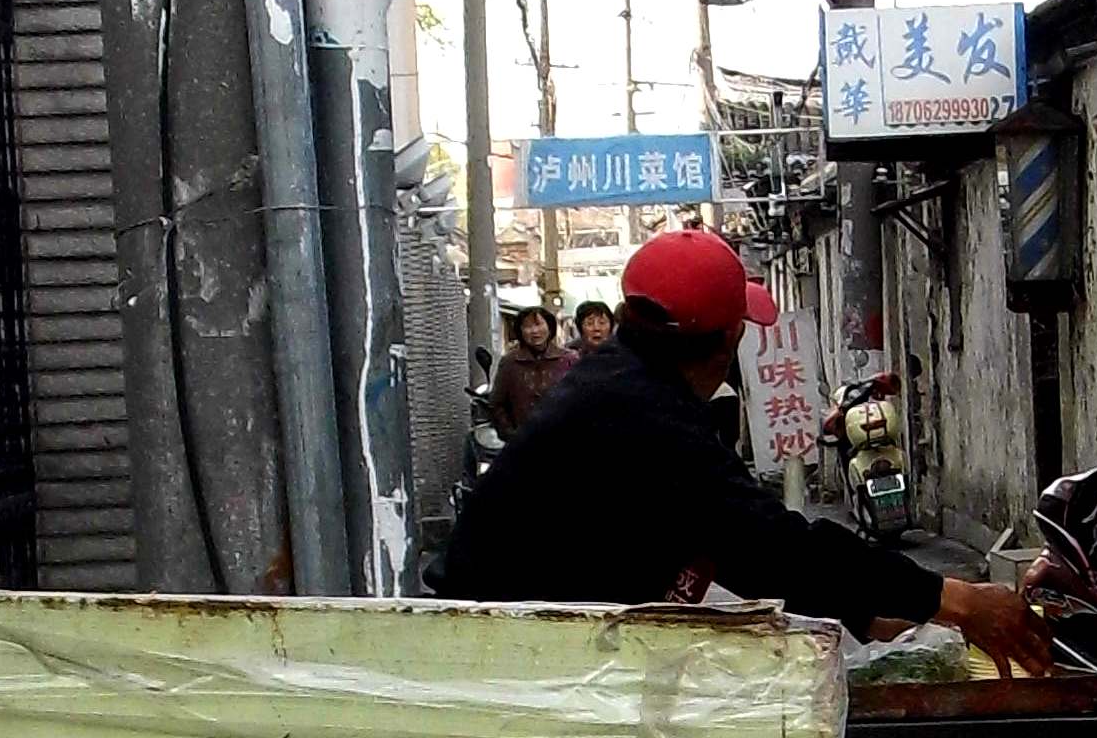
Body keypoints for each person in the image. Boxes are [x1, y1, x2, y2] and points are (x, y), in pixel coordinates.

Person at [438, 227, 1046, 665]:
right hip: (511, 664)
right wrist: (957, 599)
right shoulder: (649, 416)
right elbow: (767, 542)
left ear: (626, 315)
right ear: (728, 342)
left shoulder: (621, 382)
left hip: (523, 642)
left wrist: (864, 613)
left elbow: (726, 542)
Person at [483, 300, 569, 441]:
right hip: (523, 442)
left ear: (550, 327)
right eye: (527, 326)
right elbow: (496, 404)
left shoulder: (569, 359)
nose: (534, 331)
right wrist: (511, 434)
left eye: (538, 324)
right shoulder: (510, 362)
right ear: (520, 331)